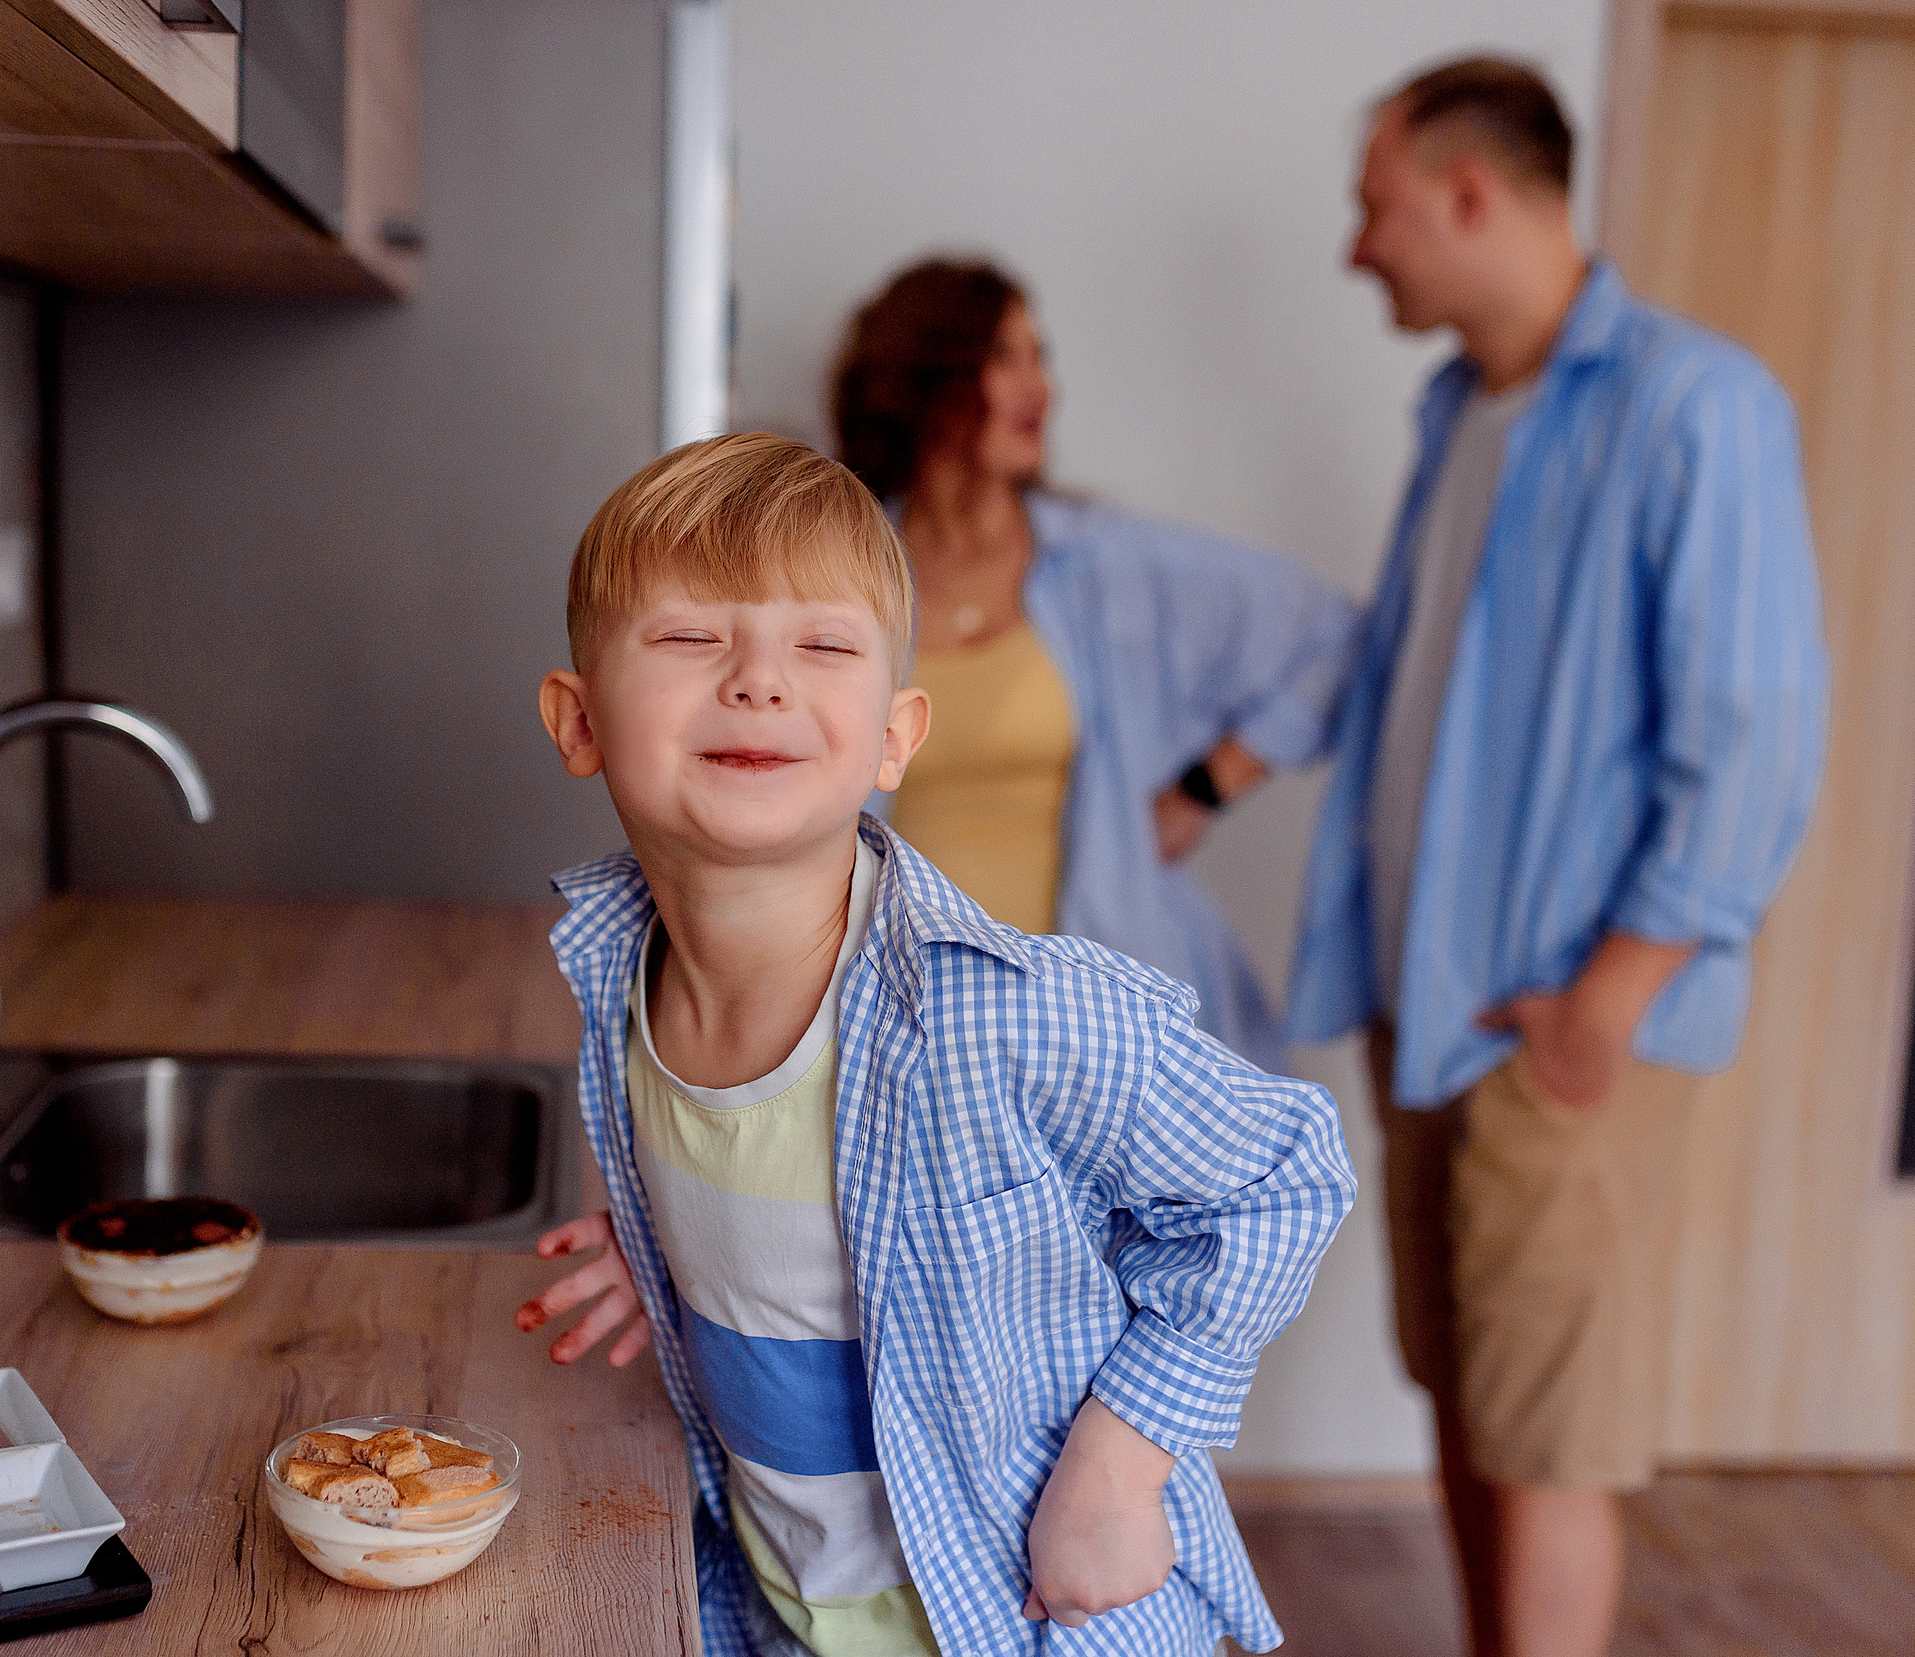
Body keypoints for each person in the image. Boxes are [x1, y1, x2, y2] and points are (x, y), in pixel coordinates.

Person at [515, 432, 1354, 1656]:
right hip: (786, 1608)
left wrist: (1117, 1470)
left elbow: (1287, 1173)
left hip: (1037, 1624)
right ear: (577, 718)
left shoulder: (1004, 1011)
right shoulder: (618, 978)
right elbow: (818, 1203)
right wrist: (687, 1244)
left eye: (824, 645)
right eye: (693, 637)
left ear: (897, 736)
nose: (759, 679)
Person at [1287, 59, 1828, 1657]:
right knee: (1463, 1396)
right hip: (1432, 1003)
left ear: (1472, 196)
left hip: (1556, 1024)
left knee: (1549, 1436)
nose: (1356, 249)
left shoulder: (1693, 405)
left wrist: (1613, 995)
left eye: (1375, 208)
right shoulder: (1463, 411)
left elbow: (1756, 732)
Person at [829, 260, 1357, 1068]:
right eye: (1006, 357)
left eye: (1041, 356)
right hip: (900, 1032)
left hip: (1094, 1029)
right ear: (927, 373)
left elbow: (1328, 636)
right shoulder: (838, 574)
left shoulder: (1105, 565)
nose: (1041, 384)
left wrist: (1203, 788)